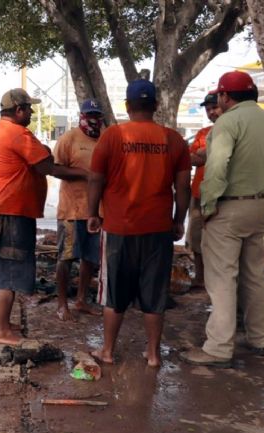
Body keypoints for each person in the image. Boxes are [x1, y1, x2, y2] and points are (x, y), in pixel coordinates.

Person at [87, 79, 191, 368]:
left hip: (120, 228)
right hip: (158, 229)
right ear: (155, 105)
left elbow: (96, 178)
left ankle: (107, 351)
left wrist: (92, 212)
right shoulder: (174, 140)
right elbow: (183, 187)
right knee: (155, 294)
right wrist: (178, 220)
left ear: (128, 106)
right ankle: (154, 355)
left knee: (114, 294)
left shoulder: (112, 136)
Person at [180, 71, 264, 367]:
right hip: (259, 207)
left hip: (229, 208)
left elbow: (217, 167)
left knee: (221, 279)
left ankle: (218, 347)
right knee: (254, 275)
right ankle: (261, 338)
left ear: (224, 96)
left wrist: (207, 206)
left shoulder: (227, 122)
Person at [0, 88, 89, 345]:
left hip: (7, 209)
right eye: (29, 108)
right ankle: (0, 330)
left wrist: (43, 149)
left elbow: (42, 155)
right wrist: (86, 175)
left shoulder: (1, 129)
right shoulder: (17, 133)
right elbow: (47, 166)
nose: (32, 112)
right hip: (13, 211)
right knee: (10, 271)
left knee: (4, 268)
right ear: (18, 110)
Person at [53, 99, 104, 321]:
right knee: (66, 258)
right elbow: (55, 169)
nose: (93, 119)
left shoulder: (105, 139)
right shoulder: (69, 139)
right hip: (71, 211)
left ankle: (81, 300)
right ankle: (62, 304)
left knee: (90, 258)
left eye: (96, 114)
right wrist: (84, 175)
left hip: (97, 212)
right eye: (89, 114)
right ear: (81, 115)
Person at [186, 92, 221, 289]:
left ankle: (216, 280)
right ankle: (200, 278)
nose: (211, 112)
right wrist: (205, 155)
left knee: (219, 240)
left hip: (222, 197)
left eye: (214, 108)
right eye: (208, 109)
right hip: (199, 195)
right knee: (196, 237)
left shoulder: (231, 130)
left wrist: (205, 154)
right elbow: (191, 159)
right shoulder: (203, 133)